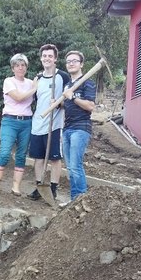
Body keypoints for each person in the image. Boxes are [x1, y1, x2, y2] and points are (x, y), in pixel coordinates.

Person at [0, 53, 38, 196]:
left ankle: (16, 186)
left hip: (26, 122)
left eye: (23, 65)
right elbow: (18, 97)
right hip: (10, 121)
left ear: (26, 67)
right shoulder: (9, 81)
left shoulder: (30, 83)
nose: (20, 68)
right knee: (5, 153)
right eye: (17, 65)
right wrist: (35, 88)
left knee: (21, 155)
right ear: (13, 68)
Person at [28, 43, 69, 201]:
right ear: (41, 58)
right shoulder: (37, 78)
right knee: (38, 158)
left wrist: (59, 103)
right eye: (44, 56)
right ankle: (39, 187)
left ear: (55, 59)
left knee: (54, 159)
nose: (47, 58)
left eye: (50, 56)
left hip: (54, 125)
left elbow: (69, 101)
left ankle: (53, 188)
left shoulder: (62, 77)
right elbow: (36, 100)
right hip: (38, 124)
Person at [62, 51, 96, 200]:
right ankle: (73, 201)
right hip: (67, 128)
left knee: (76, 166)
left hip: (81, 128)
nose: (71, 63)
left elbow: (90, 106)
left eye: (75, 61)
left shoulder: (88, 82)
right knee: (70, 168)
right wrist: (59, 104)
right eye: (68, 61)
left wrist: (73, 97)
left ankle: (81, 200)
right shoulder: (68, 85)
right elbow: (67, 105)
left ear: (81, 64)